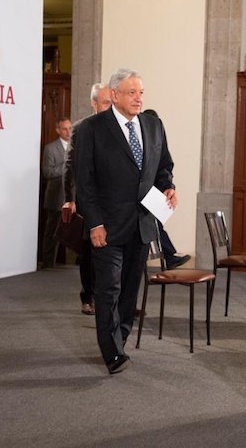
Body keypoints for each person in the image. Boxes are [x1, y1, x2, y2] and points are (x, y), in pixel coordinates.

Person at [74, 68, 177, 374]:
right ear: (115, 95)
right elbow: (85, 182)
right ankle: (112, 353)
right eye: (132, 92)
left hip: (142, 224)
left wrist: (169, 185)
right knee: (108, 289)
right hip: (106, 226)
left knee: (130, 289)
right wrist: (94, 223)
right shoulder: (92, 129)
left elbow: (163, 166)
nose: (138, 98)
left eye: (141, 92)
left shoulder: (153, 125)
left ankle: (118, 341)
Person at [61, 83, 112, 315]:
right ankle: (88, 297)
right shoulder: (81, 128)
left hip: (113, 200)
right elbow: (70, 165)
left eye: (111, 102)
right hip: (87, 199)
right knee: (89, 251)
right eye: (104, 103)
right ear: (94, 103)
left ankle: (114, 299)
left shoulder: (120, 126)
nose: (109, 107)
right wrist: (69, 199)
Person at [142, 109, 190, 270]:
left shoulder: (157, 138)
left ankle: (169, 256)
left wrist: (169, 186)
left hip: (155, 191)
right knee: (154, 224)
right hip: (144, 193)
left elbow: (164, 165)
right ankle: (169, 257)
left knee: (156, 224)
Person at [40, 117, 72, 269]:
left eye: (70, 128)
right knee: (52, 232)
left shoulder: (77, 147)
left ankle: (67, 264)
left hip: (73, 198)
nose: (68, 132)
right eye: (65, 129)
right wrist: (67, 167)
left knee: (72, 233)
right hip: (56, 198)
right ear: (58, 130)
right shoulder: (50, 148)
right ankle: (47, 264)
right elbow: (47, 172)